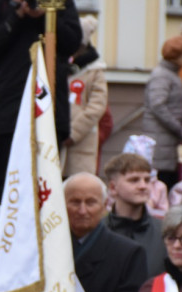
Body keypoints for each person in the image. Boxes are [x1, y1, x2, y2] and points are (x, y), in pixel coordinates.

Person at [0, 0, 81, 196]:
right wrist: (17, 16)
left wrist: (46, 17)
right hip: (10, 110)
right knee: (8, 184)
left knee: (46, 185)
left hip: (50, 108)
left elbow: (72, 43)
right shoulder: (1, 4)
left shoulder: (60, 2)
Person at [104, 153, 167, 279]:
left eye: (147, 180)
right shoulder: (98, 230)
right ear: (113, 187)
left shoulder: (165, 231)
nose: (143, 186)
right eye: (134, 180)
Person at [145, 35, 182, 190]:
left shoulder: (171, 74)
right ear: (179, 56)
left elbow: (173, 106)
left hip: (167, 141)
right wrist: (178, 128)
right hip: (160, 142)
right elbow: (158, 105)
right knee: (162, 184)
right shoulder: (162, 75)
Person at [62, 16, 108, 177]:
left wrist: (73, 133)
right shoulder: (60, 65)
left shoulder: (95, 71)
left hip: (81, 144)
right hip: (57, 145)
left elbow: (96, 107)